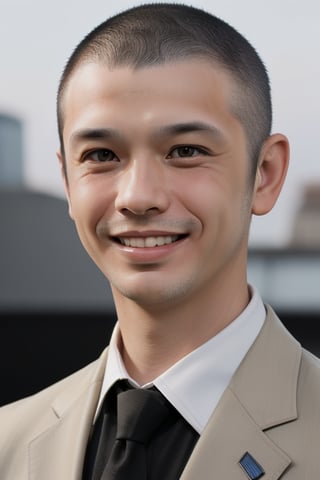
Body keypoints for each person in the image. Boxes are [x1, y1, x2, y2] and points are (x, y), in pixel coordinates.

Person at [1, 3, 319, 479]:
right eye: (102, 154)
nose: (138, 197)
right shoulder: (9, 441)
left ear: (265, 174)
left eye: (186, 151)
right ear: (68, 181)